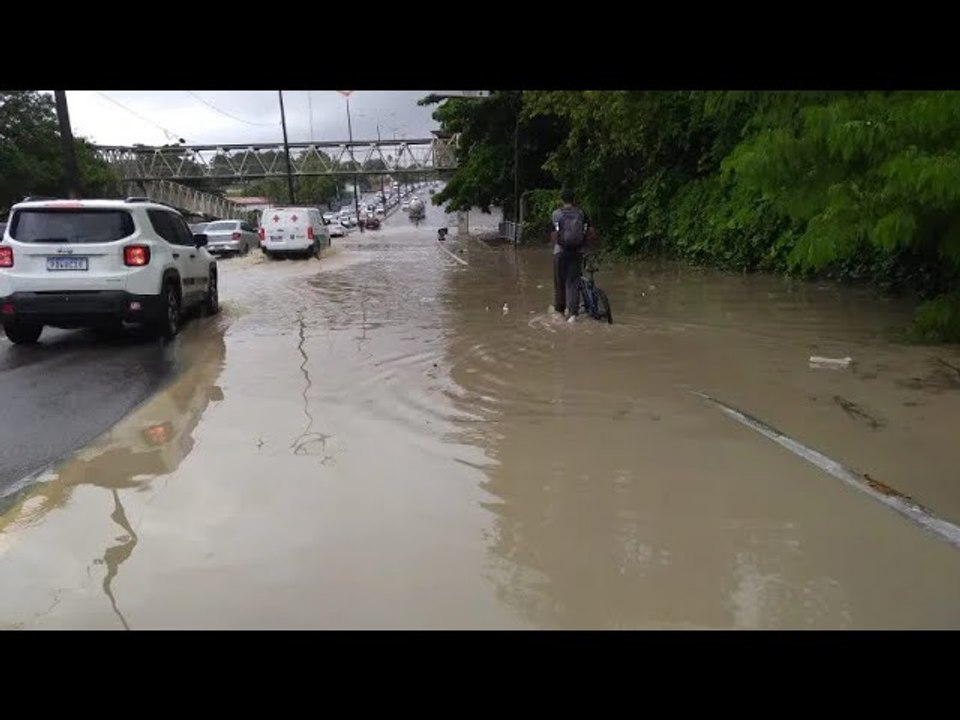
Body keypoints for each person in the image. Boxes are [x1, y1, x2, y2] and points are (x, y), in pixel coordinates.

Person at [551, 188, 593, 319]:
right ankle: (573, 315)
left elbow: (553, 234)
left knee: (559, 282)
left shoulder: (556, 214)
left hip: (560, 252)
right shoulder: (581, 213)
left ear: (561, 200)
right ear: (574, 200)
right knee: (573, 282)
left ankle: (559, 312)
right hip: (577, 252)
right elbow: (590, 232)